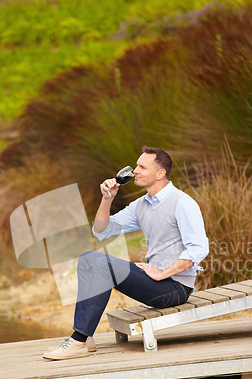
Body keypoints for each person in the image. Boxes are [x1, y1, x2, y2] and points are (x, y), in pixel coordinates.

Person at [43, 146, 209, 360]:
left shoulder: (183, 203)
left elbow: (199, 248)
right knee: (87, 259)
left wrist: (162, 273)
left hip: (175, 287)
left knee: (100, 264)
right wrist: (107, 199)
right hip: (155, 281)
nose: (135, 171)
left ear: (160, 174)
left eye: (142, 167)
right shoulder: (141, 205)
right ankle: (85, 338)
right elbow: (102, 231)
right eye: (136, 166)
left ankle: (78, 341)